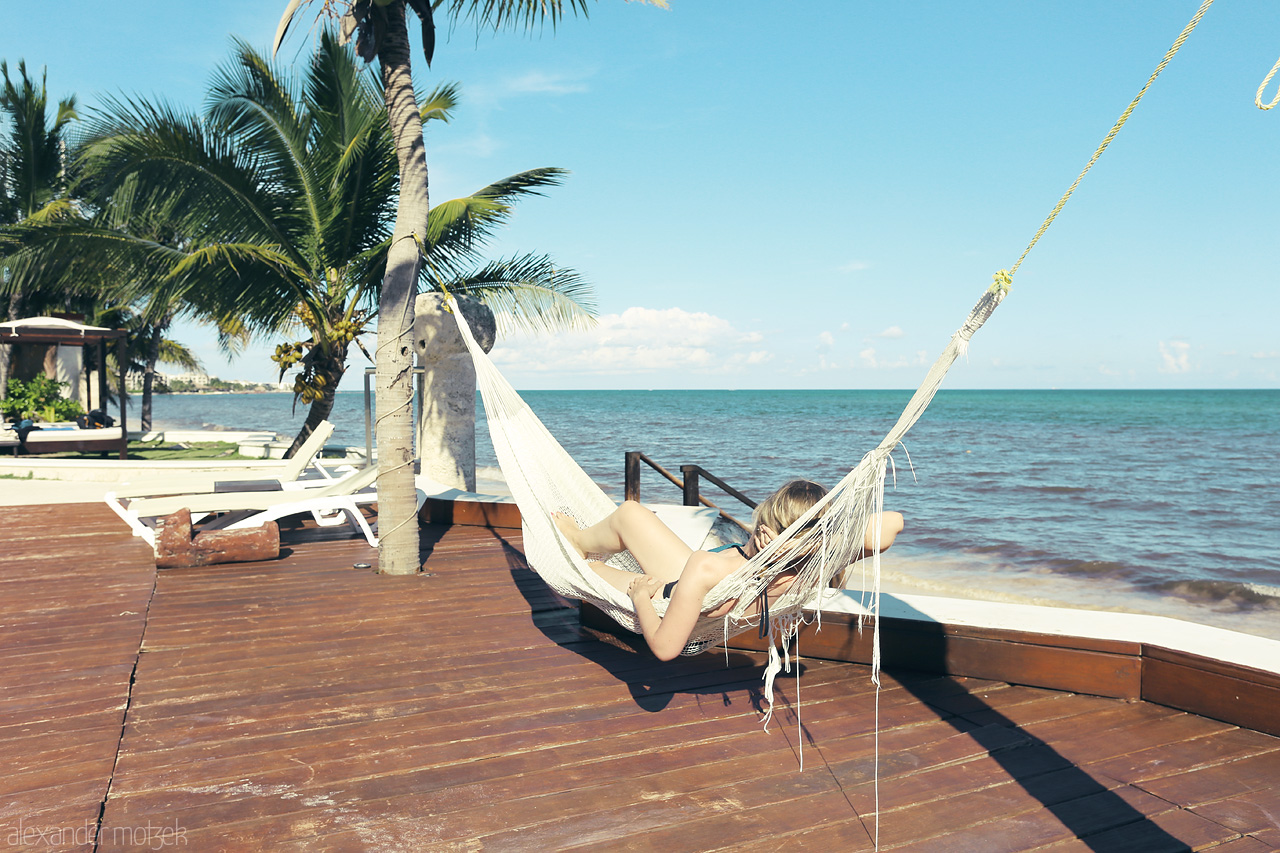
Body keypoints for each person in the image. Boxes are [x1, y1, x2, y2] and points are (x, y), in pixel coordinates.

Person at [553, 480, 904, 661]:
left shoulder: (709, 566)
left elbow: (664, 648)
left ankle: (578, 541)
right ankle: (583, 539)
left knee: (582, 568)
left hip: (664, 593)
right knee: (630, 513)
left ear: (764, 521)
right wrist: (809, 542)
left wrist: (640, 596)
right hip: (701, 584)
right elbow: (893, 524)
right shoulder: (815, 563)